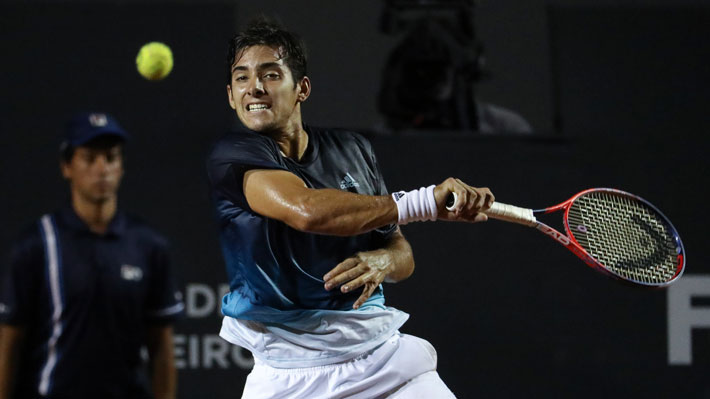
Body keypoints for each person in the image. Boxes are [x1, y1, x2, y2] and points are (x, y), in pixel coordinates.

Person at [207, 19, 494, 399]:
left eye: (270, 74)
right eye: (241, 79)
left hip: (383, 360)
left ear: (301, 89)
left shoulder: (353, 149)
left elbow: (401, 252)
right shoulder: (232, 156)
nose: (254, 88)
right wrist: (425, 201)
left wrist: (384, 262)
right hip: (288, 377)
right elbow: (306, 210)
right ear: (231, 95)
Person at [0, 112, 184, 399]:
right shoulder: (37, 244)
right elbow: (10, 342)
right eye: (89, 158)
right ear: (67, 166)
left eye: (111, 158)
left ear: (121, 167)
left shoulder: (148, 245)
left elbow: (160, 345)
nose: (102, 168)